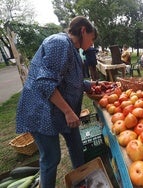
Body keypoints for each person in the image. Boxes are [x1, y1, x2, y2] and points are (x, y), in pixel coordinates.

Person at [16, 16, 97, 188]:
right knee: (51, 157)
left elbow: (72, 81)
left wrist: (94, 85)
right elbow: (45, 82)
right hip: (41, 110)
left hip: (59, 110)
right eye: (91, 38)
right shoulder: (59, 43)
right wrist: (68, 111)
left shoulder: (74, 50)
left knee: (76, 144)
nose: (91, 43)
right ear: (83, 30)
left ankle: (81, 181)